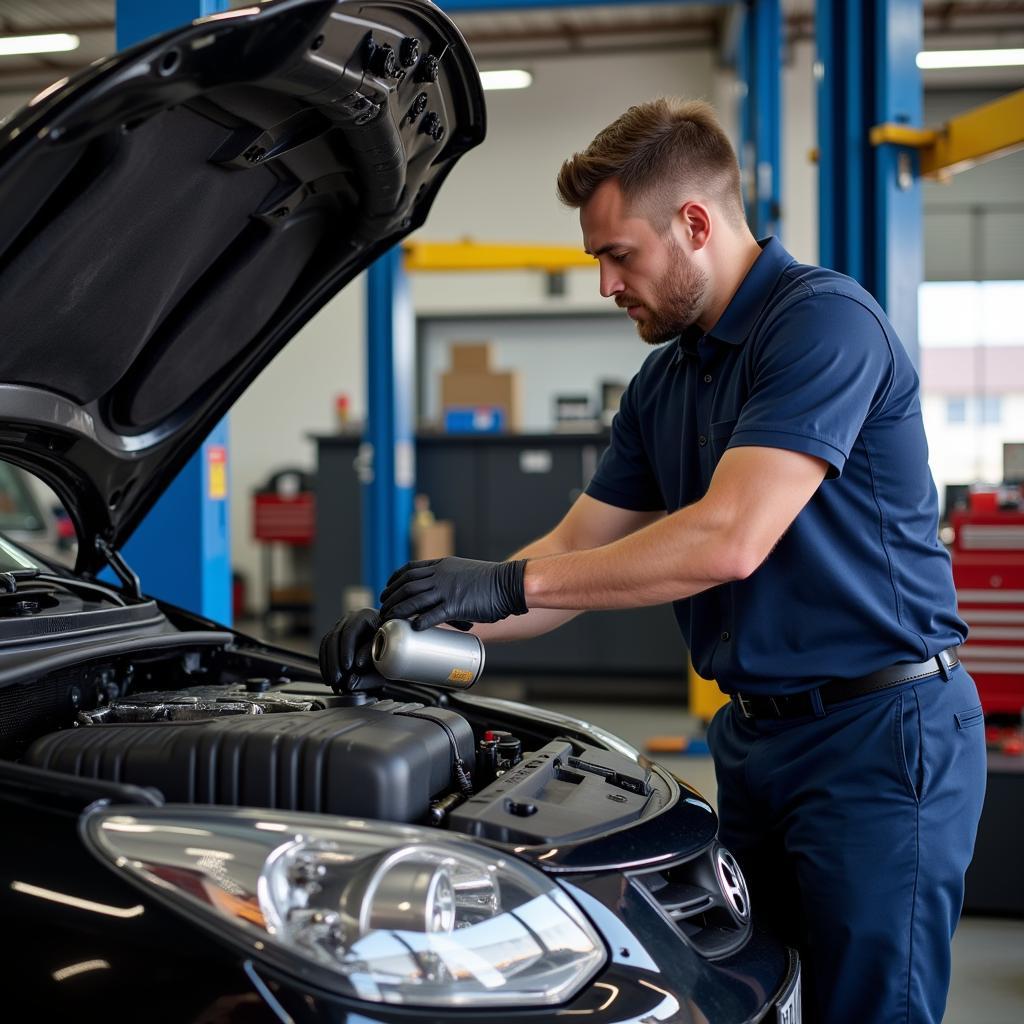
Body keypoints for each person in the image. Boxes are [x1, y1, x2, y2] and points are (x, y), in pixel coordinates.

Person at [319, 98, 986, 1024]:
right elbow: (568, 558)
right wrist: (420, 634)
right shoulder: (668, 380)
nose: (605, 284)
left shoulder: (824, 325)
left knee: (872, 1009)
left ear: (695, 224)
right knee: (770, 1000)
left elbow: (729, 537)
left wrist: (506, 581)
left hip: (879, 736)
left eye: (617, 254)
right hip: (759, 740)